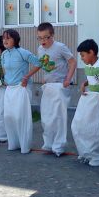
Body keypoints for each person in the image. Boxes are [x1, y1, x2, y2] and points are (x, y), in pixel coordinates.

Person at [23, 22, 77, 157]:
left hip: (59, 86)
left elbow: (72, 62)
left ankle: (58, 146)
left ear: (52, 35)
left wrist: (67, 80)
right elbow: (43, 64)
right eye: (40, 38)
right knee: (46, 117)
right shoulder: (40, 49)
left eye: (46, 37)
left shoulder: (60, 47)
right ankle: (48, 144)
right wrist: (40, 76)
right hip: (47, 87)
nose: (43, 41)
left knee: (58, 117)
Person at [1, 29, 42, 153]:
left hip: (21, 88)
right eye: (4, 38)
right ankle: (13, 144)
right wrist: (6, 79)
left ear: (15, 39)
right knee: (8, 116)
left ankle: (25, 146)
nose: (5, 40)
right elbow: (4, 69)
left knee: (20, 117)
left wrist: (26, 77)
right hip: (9, 89)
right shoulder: (4, 54)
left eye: (8, 38)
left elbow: (39, 63)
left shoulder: (22, 52)